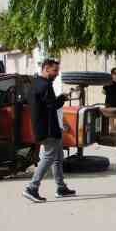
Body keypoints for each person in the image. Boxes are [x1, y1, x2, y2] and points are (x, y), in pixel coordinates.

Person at [24, 59, 75, 201]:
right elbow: (52, 106)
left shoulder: (35, 83)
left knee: (58, 158)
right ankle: (32, 188)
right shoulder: (45, 86)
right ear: (46, 68)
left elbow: (46, 105)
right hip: (48, 129)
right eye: (54, 71)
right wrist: (62, 98)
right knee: (48, 157)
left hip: (47, 127)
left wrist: (58, 99)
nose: (57, 74)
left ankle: (61, 187)